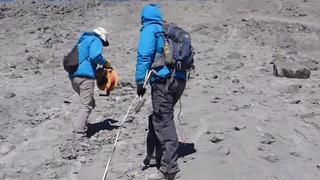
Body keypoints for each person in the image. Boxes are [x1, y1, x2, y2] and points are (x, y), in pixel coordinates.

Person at [135, 4, 187, 180]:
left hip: (163, 81)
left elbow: (144, 56)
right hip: (179, 79)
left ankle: (169, 169)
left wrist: (139, 82)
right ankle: (156, 157)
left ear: (144, 18)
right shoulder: (166, 30)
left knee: (164, 122)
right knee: (159, 118)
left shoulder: (150, 30)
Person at [69, 27, 112, 138]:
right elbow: (95, 55)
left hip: (74, 77)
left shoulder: (83, 41)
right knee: (86, 105)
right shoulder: (95, 40)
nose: (102, 44)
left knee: (90, 102)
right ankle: (79, 132)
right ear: (102, 36)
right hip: (85, 77)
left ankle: (81, 124)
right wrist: (105, 63)